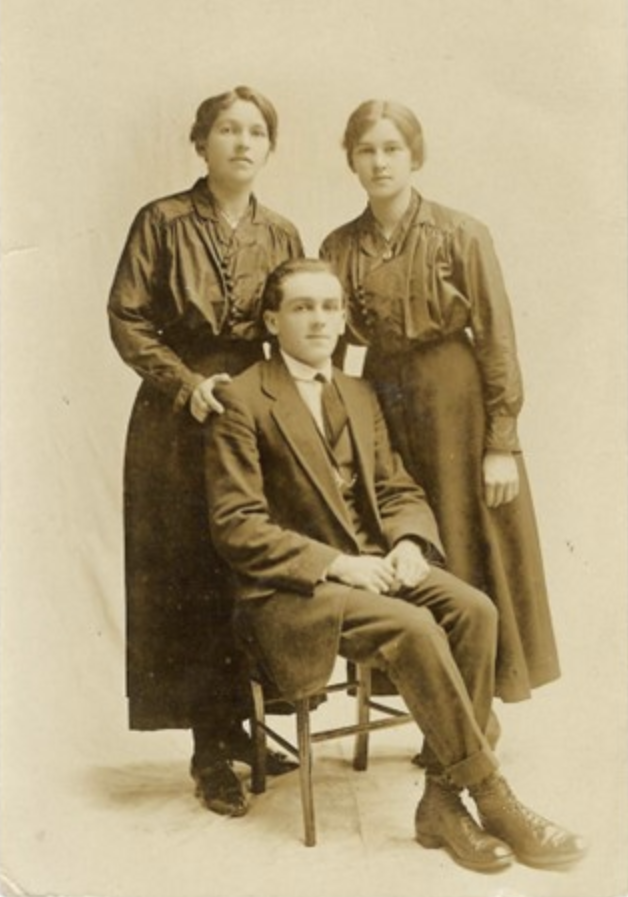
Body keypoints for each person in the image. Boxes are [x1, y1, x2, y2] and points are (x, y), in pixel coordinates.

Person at [204, 259, 585, 873]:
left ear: (343, 318)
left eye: (330, 307)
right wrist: (339, 565)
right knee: (415, 627)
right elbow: (238, 527)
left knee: (475, 610)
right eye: (302, 307)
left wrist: (409, 543)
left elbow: (397, 487)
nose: (320, 320)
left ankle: (441, 800)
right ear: (272, 321)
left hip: (374, 572)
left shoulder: (358, 393)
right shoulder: (242, 398)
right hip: (292, 591)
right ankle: (492, 796)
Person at [319, 100, 560, 727]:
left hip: (457, 405)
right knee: (401, 538)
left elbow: (497, 338)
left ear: (415, 156)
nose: (380, 162)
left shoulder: (462, 234)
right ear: (351, 160)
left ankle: (474, 712)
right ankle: (429, 697)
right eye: (367, 150)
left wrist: (501, 442)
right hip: (381, 400)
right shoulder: (339, 246)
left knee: (463, 541)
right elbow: (332, 348)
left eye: (392, 149)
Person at [107, 86, 302, 818]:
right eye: (227, 130)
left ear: (269, 148)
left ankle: (244, 724)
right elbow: (128, 317)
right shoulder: (161, 221)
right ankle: (209, 750)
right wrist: (187, 384)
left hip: (252, 413)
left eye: (256, 132)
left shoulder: (281, 233)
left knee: (249, 565)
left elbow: (292, 322)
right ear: (201, 143)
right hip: (175, 415)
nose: (242, 143)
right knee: (186, 574)